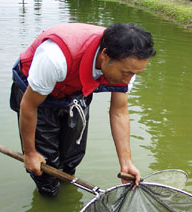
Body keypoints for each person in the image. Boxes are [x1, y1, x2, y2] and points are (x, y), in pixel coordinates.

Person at [10, 23, 156, 196]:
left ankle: (66, 186)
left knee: (72, 157)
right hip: (37, 95)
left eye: (135, 74)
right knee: (45, 166)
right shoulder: (55, 57)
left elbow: (119, 111)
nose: (129, 79)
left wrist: (126, 162)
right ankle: (50, 196)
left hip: (74, 91)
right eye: (126, 72)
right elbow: (29, 105)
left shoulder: (127, 65)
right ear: (104, 55)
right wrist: (30, 152)